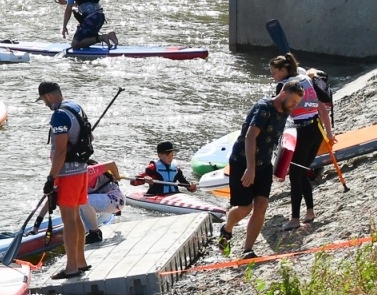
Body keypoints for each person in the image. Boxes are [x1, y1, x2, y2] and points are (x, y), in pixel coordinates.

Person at [219, 79, 305, 258]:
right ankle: (227, 228)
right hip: (243, 162)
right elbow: (250, 137)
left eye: (297, 103)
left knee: (262, 204)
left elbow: (277, 141)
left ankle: (247, 250)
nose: (294, 106)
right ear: (283, 94)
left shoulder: (285, 112)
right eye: (293, 101)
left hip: (264, 164)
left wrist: (282, 166)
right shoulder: (263, 108)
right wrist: (250, 168)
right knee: (244, 208)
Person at [38, 81, 95, 279]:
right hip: (81, 170)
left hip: (67, 174)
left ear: (49, 96)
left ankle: (71, 268)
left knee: (68, 220)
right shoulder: (75, 107)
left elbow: (61, 150)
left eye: (44, 100)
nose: (45, 104)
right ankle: (80, 261)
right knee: (75, 216)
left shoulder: (59, 116)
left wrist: (51, 177)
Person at [270, 53, 332, 229]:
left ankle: (295, 219)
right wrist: (329, 132)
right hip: (316, 130)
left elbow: (280, 116)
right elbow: (321, 106)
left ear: (284, 70)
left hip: (302, 132)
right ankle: (310, 212)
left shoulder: (284, 87)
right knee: (303, 171)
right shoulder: (306, 78)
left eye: (274, 72)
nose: (273, 76)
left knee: (296, 176)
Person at [129, 141, 198, 195]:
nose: (171, 157)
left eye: (172, 154)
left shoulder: (176, 168)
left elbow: (184, 183)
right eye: (168, 155)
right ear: (159, 155)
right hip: (156, 195)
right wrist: (145, 178)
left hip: (174, 195)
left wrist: (191, 186)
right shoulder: (153, 167)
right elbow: (133, 182)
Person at [80, 162, 125, 243]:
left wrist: (117, 176)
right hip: (109, 202)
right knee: (78, 203)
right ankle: (87, 230)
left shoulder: (88, 171)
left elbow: (112, 164)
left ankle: (95, 233)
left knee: (82, 200)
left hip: (116, 200)